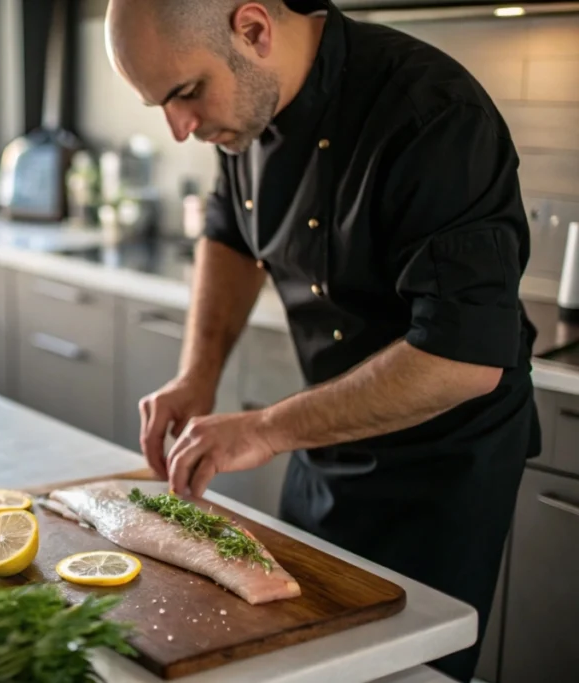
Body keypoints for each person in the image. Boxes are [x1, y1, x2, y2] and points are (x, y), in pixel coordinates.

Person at [106, 0, 540, 680]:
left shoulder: (435, 115)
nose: (181, 128)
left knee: (404, 666)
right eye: (162, 104)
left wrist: (268, 428)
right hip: (321, 435)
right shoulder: (244, 113)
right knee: (303, 648)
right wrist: (198, 375)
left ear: (253, 29)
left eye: (186, 92)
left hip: (442, 472)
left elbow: (465, 358)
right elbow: (227, 237)